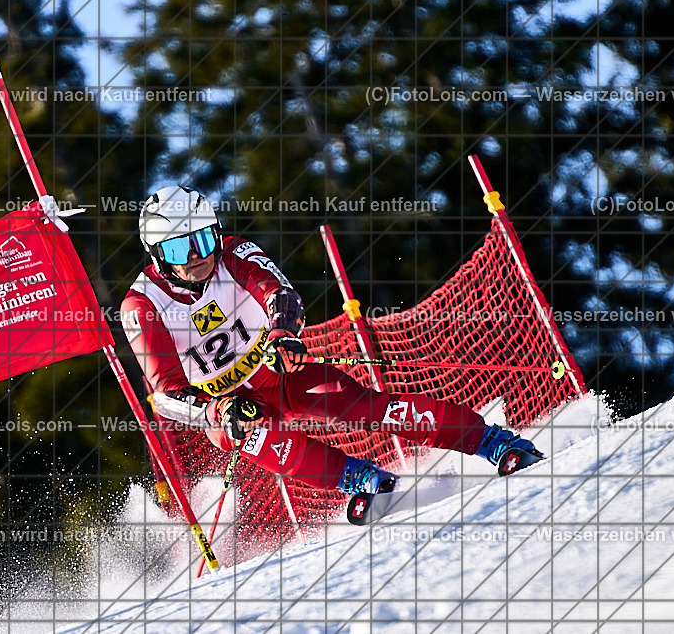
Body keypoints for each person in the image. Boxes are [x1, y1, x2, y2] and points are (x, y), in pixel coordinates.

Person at [120, 186, 543, 501]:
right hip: (231, 402)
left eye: (204, 239)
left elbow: (280, 295)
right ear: (157, 255)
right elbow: (166, 394)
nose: (197, 256)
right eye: (180, 247)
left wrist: (282, 334)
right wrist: (217, 410)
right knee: (256, 436)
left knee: (366, 408)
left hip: (278, 366)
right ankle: (357, 478)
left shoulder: (234, 253)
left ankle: (491, 441)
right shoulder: (142, 305)